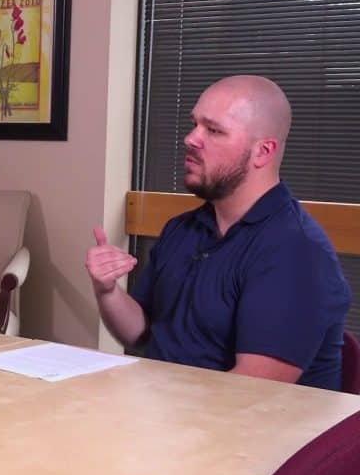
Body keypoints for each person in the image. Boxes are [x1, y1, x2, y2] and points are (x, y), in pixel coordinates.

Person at [86, 75, 349, 390]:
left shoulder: (296, 251)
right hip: (167, 412)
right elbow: (140, 333)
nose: (191, 139)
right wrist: (107, 291)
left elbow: (251, 392)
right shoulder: (181, 229)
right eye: (194, 124)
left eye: (213, 130)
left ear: (263, 152)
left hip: (253, 430)